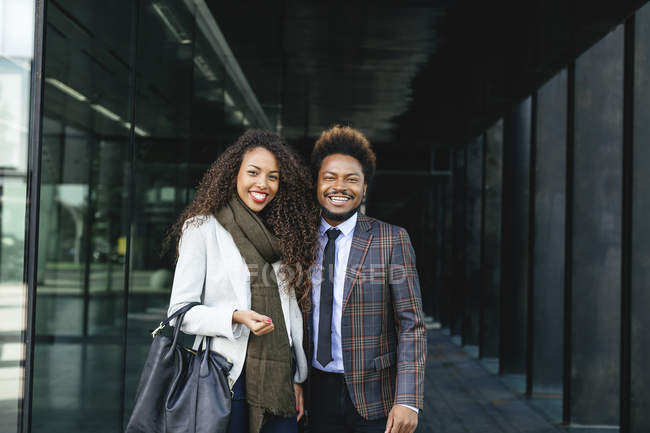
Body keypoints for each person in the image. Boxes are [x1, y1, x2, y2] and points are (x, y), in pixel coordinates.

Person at [165, 130, 320, 433]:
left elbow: (290, 316)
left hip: (279, 386)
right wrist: (234, 317)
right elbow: (179, 313)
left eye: (273, 176)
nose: (263, 184)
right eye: (253, 172)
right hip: (226, 380)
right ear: (233, 173)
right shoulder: (203, 229)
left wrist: (297, 379)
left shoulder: (285, 234)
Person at [306, 126, 426, 433]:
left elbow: (411, 324)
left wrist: (408, 399)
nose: (339, 186)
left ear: (365, 188)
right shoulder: (298, 238)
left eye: (351, 179)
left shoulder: (392, 239)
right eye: (330, 177)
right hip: (312, 391)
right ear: (317, 182)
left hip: (375, 397)